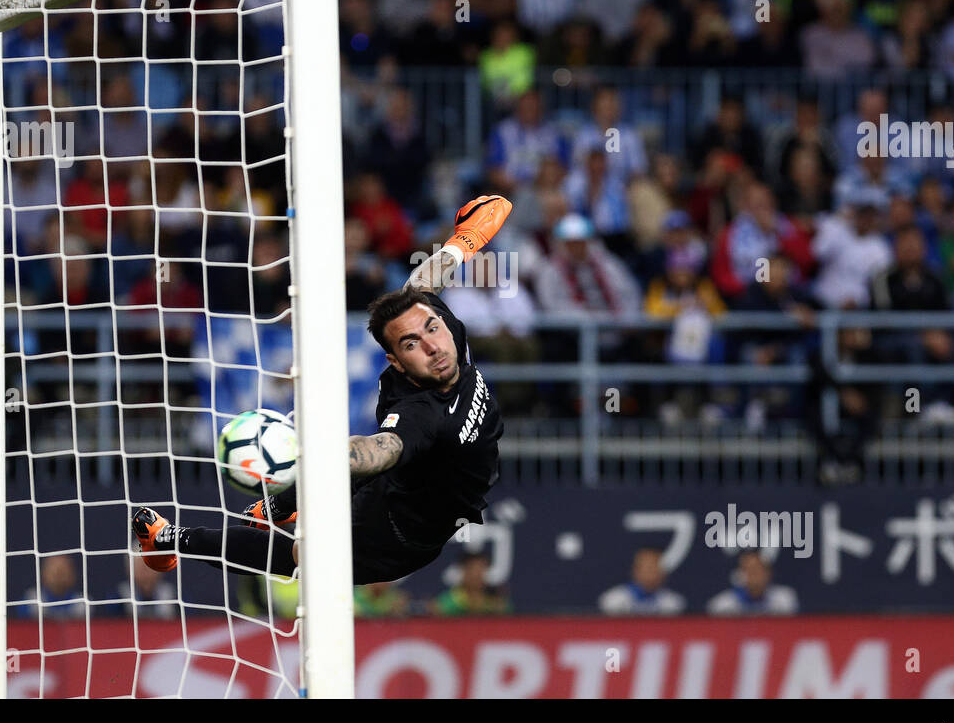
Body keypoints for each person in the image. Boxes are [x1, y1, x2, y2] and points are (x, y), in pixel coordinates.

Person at [132, 196, 513, 587]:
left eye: (432, 328)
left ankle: (216, 527)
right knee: (311, 542)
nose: (433, 346)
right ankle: (184, 536)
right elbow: (379, 451)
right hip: (401, 509)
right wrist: (305, 476)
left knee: (302, 549)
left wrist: (464, 241)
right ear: (395, 360)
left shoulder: (441, 337)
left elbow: (422, 284)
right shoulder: (422, 412)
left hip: (408, 519)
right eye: (412, 343)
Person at [707, 550, 798, 616]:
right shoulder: (723, 605)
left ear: (768, 573)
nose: (754, 576)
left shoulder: (784, 599)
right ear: (738, 574)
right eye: (749, 571)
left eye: (759, 570)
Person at [598, 547, 685, 615]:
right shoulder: (613, 600)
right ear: (635, 570)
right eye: (647, 568)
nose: (651, 573)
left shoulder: (673, 603)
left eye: (655, 568)